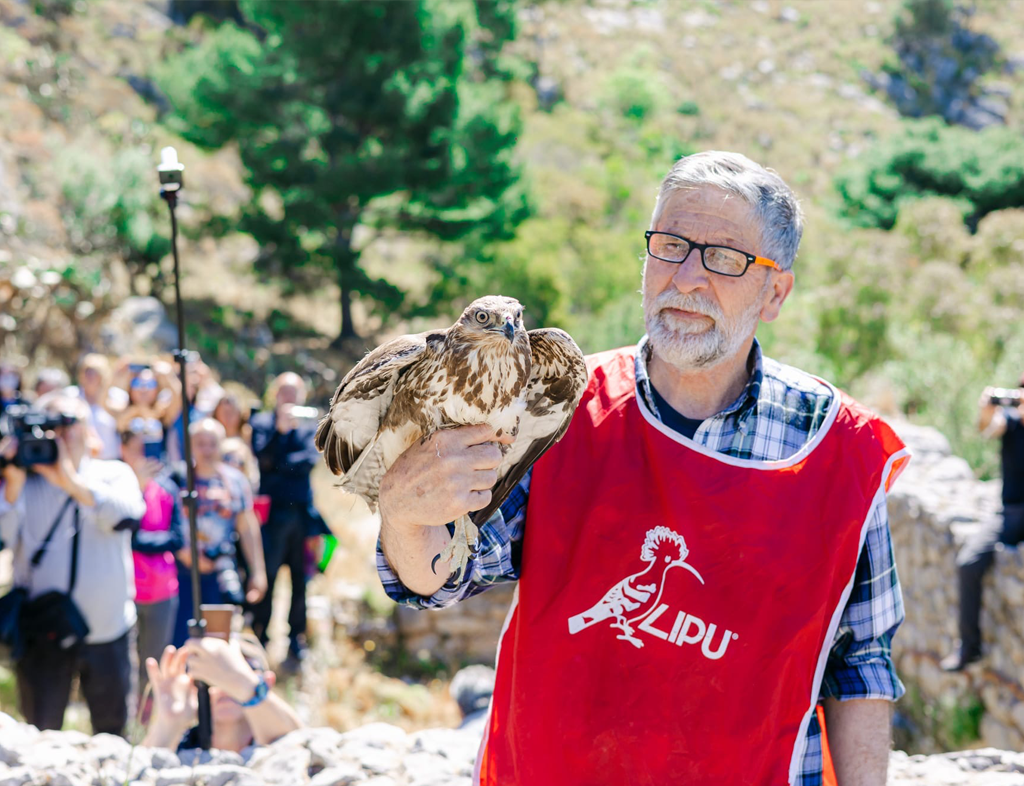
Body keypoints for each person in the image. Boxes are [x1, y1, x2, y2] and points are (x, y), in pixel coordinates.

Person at [374, 152, 910, 785]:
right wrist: (406, 514)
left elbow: (860, 662)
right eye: (671, 244)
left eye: (725, 257)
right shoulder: (560, 411)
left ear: (775, 292)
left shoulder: (837, 449)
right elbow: (445, 576)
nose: (685, 277)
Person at [0, 393, 145, 736]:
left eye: (67, 423)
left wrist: (69, 480)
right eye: (48, 427)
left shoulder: (113, 474)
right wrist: (13, 485)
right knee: (42, 730)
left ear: (89, 429)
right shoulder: (22, 483)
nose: (60, 435)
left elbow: (126, 517)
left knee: (112, 732)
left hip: (107, 629)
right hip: (44, 631)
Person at [941, 372, 1024, 672]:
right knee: (968, 562)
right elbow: (987, 430)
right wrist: (986, 412)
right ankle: (969, 647)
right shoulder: (1010, 422)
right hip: (1010, 513)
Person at [172, 418, 267, 646]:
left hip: (219, 572)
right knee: (180, 642)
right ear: (190, 445)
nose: (206, 449)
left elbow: (246, 526)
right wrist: (182, 552)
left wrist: (258, 572)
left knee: (217, 642)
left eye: (212, 443)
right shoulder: (176, 478)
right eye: (200, 443)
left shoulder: (236, 481)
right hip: (180, 574)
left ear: (221, 444)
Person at [250, 373, 323, 663]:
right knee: (266, 576)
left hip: (302, 516)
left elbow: (307, 463)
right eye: (285, 393)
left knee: (300, 580)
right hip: (272, 516)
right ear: (275, 395)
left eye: (295, 393)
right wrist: (280, 435)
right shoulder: (262, 424)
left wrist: (278, 463)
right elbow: (261, 458)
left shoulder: (308, 427)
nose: (289, 399)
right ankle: (259, 636)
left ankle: (296, 638)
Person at [141, 633, 301, 752]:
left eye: (244, 668)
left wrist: (246, 687)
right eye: (211, 676)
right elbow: (139, 771)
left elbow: (303, 742)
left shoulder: (278, 752)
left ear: (268, 682)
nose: (224, 685)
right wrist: (167, 725)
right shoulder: (183, 747)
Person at [120, 425, 185, 697]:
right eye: (137, 448)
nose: (144, 456)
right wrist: (137, 488)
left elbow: (177, 539)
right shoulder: (118, 488)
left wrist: (141, 541)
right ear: (123, 450)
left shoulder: (169, 488)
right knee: (124, 662)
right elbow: (122, 530)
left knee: (152, 661)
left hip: (161, 591)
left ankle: (147, 720)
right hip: (125, 589)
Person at [115, 362, 182, 463]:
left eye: (150, 384)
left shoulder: (162, 414)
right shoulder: (123, 413)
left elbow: (179, 399)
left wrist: (168, 377)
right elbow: (102, 400)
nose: (143, 389)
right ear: (130, 387)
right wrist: (116, 374)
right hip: (130, 472)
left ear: (157, 389)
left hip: (157, 472)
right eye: (137, 383)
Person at [71, 354, 120, 460]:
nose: (90, 376)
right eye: (87, 372)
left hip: (110, 460)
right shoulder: (71, 396)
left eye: (95, 373)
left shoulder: (116, 396)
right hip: (81, 461)